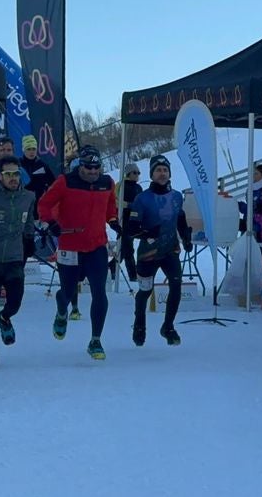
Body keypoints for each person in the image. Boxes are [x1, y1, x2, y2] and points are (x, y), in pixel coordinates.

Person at [37, 145, 118, 360]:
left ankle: (95, 340)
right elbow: (44, 204)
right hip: (70, 246)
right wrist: (50, 223)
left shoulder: (107, 183)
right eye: (88, 168)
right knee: (68, 291)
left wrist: (114, 221)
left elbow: (111, 208)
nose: (93, 172)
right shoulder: (66, 181)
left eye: (96, 168)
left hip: (96, 246)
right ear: (80, 166)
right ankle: (62, 311)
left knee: (99, 292)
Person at [127, 155, 191, 347]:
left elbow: (180, 218)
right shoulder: (142, 199)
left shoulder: (177, 196)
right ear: (152, 174)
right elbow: (131, 229)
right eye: (158, 170)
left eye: (165, 170)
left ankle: (168, 326)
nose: (162, 174)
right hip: (148, 253)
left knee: (176, 285)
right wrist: (146, 233)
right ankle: (139, 324)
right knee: (145, 291)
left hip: (170, 250)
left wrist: (186, 237)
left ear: (169, 173)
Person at [0, 156, 36, 369]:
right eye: (8, 174)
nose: (13, 178)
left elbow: (28, 222)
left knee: (15, 302)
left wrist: (30, 241)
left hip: (14, 258)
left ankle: (5, 317)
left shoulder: (28, 197)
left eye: (16, 174)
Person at [117, 163, 143, 282]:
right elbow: (115, 202)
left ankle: (111, 268)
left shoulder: (138, 187)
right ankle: (133, 274)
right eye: (135, 172)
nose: (137, 175)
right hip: (124, 220)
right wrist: (128, 205)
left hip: (135, 220)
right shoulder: (121, 185)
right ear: (128, 173)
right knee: (128, 248)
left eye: (138, 172)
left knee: (124, 248)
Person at [19, 135, 56, 207]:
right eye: (28, 149)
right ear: (23, 150)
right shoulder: (18, 164)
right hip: (23, 203)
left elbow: (53, 183)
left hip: (39, 203)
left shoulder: (42, 165)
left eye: (34, 149)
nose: (31, 152)